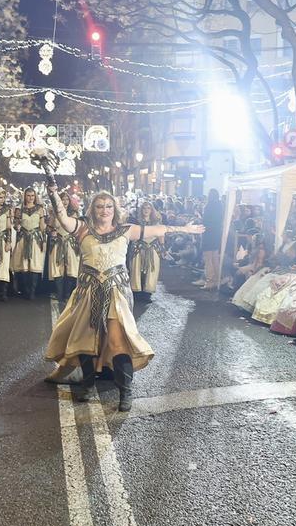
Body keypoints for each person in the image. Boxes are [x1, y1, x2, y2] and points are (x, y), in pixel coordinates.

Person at [44, 176, 204, 411]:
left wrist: (184, 229)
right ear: (93, 209)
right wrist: (53, 193)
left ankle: (125, 391)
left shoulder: (125, 230)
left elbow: (157, 229)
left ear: (115, 209)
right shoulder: (82, 228)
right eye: (100, 206)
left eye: (109, 206)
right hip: (88, 291)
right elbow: (62, 218)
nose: (104, 210)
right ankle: (88, 385)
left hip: (115, 293)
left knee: (117, 341)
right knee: (86, 340)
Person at [11, 188, 46, 300]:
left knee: (34, 265)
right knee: (23, 265)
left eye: (32, 195)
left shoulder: (40, 209)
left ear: (35, 197)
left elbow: (42, 226)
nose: (30, 198)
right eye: (28, 195)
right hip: (23, 238)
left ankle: (33, 291)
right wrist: (17, 226)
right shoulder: (19, 209)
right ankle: (25, 290)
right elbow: (15, 225)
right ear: (25, 196)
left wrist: (44, 240)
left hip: (35, 239)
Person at [46, 192, 79, 305]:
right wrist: (52, 232)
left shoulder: (73, 213)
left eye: (66, 199)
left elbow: (77, 228)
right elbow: (48, 228)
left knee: (71, 268)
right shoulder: (55, 213)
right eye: (62, 199)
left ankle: (67, 295)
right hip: (57, 243)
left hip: (70, 243)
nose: (64, 202)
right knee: (57, 268)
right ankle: (60, 294)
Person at [129, 200, 163, 298]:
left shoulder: (156, 222)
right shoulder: (136, 221)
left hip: (152, 248)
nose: (146, 210)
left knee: (151, 270)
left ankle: (147, 293)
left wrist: (163, 246)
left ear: (152, 210)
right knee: (136, 270)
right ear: (141, 210)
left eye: (148, 208)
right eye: (144, 208)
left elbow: (161, 234)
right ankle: (137, 292)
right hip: (138, 248)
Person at [197, 188, 223, 290]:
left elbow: (205, 221)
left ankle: (210, 281)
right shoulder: (220, 206)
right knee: (215, 258)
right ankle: (217, 279)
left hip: (208, 233)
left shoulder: (209, 206)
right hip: (216, 234)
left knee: (208, 258)